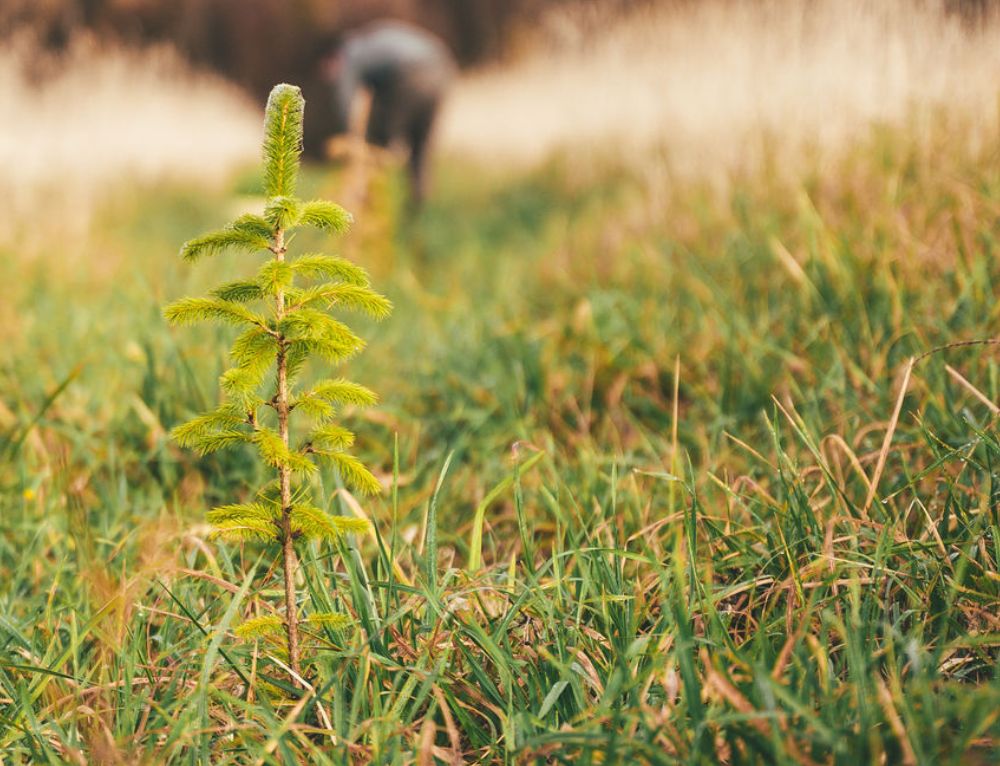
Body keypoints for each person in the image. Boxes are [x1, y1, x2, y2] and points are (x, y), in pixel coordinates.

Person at [320, 20, 456, 205]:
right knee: (420, 146)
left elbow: (345, 98)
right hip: (442, 69)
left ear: (332, 57)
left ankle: (373, 203)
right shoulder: (374, 38)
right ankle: (420, 202)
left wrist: (349, 139)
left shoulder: (350, 52)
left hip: (410, 73)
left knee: (379, 144)